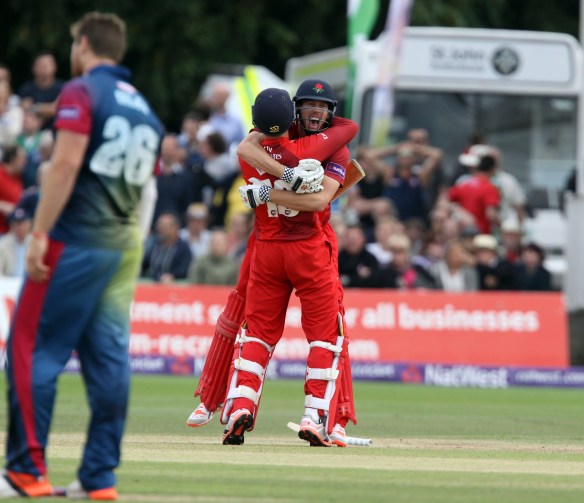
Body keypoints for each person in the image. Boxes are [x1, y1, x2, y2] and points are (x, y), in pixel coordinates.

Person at [0, 12, 163, 500]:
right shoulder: (147, 111)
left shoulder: (81, 91)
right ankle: (99, 477)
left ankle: (25, 471)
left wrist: (40, 233)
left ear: (85, 43)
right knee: (108, 358)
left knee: (30, 350)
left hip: (75, 240)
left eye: (74, 43)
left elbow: (66, 164)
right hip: (122, 245)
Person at [187, 82, 359, 448]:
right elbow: (319, 201)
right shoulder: (332, 148)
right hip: (307, 250)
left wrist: (266, 191)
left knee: (258, 333)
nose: (316, 113)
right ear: (295, 110)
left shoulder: (260, 143)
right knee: (326, 336)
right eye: (309, 106)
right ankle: (315, 415)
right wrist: (290, 177)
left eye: (322, 107)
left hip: (267, 248)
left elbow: (247, 147)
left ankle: (238, 405)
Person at [17, 52, 65, 129]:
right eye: (40, 65)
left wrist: (35, 107)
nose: (43, 68)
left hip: (56, 131)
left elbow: (58, 108)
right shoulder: (26, 89)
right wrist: (47, 109)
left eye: (46, 65)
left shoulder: (63, 88)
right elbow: (22, 109)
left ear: (55, 67)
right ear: (33, 68)